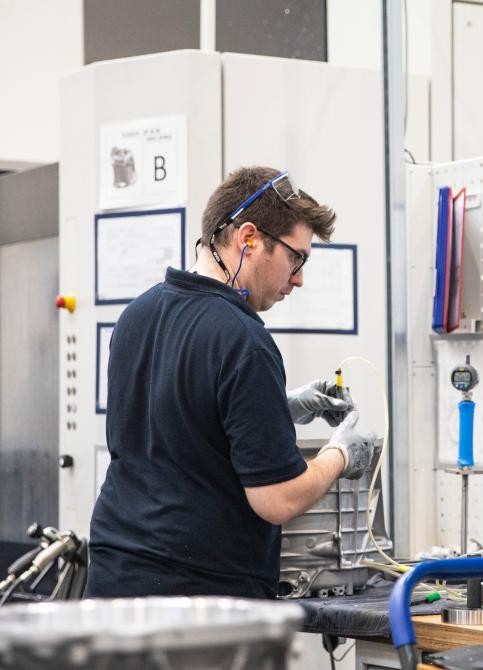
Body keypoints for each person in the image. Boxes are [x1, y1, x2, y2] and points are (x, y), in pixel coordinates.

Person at [85, 166, 373, 599]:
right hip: (199, 600)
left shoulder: (137, 316)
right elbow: (276, 499)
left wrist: (280, 405)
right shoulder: (244, 339)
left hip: (114, 582)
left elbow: (179, 421)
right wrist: (341, 454)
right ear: (249, 239)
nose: (299, 278)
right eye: (296, 258)